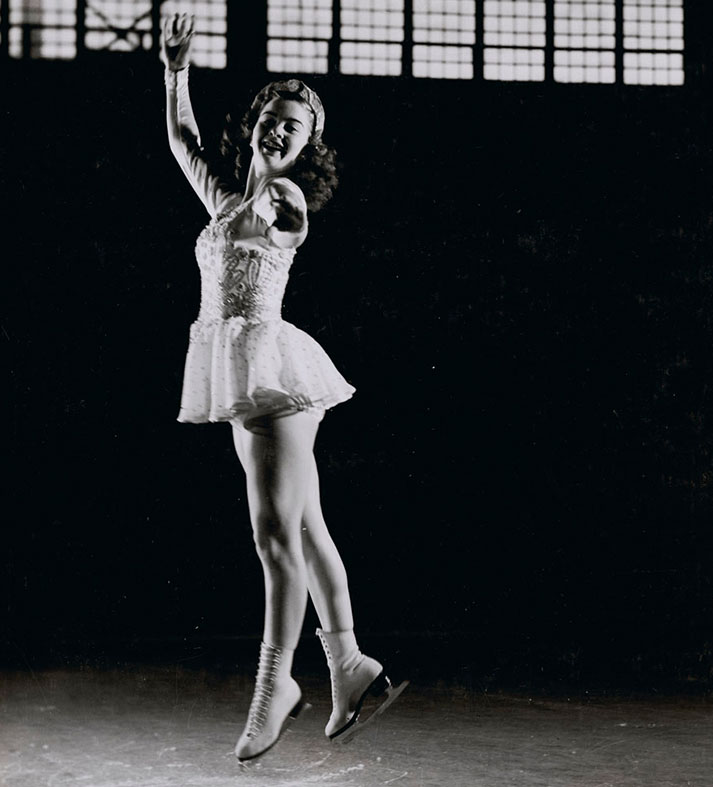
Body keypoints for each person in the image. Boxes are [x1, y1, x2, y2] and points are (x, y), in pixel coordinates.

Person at [161, 14, 407, 762]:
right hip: (242, 377)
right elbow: (180, 140)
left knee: (274, 537)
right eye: (272, 119)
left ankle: (276, 687)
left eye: (294, 127)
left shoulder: (282, 202)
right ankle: (350, 664)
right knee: (303, 528)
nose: (279, 131)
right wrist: (176, 73)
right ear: (255, 124)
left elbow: (289, 222)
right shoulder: (226, 201)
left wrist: (282, 204)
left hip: (274, 377)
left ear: (307, 145)